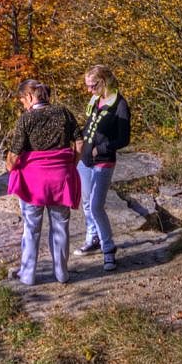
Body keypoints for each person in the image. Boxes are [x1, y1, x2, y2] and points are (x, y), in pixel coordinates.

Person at [6, 79, 81, 285]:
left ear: (30, 96)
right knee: (60, 226)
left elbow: (15, 153)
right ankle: (62, 273)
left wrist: (10, 167)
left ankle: (28, 275)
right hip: (60, 179)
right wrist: (71, 164)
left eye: (23, 101)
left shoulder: (26, 119)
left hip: (33, 182)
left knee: (31, 227)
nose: (24, 105)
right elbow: (80, 141)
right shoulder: (64, 112)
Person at [74, 65, 130, 272]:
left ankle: (108, 248)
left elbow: (124, 139)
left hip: (103, 161)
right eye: (88, 86)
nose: (89, 90)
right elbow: (89, 127)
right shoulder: (95, 100)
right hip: (85, 160)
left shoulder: (120, 105)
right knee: (87, 203)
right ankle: (93, 238)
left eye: (92, 85)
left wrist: (102, 148)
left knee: (96, 205)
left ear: (104, 81)